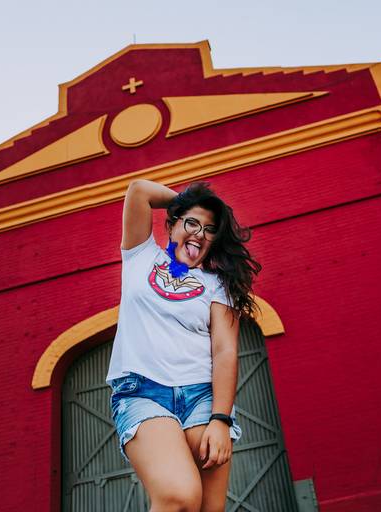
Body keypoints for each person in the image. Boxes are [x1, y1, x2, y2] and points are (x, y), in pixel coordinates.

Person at [106, 179, 261, 511]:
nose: (199, 234)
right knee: (179, 496)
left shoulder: (218, 284)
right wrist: (191, 203)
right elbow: (139, 191)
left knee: (208, 508)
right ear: (172, 224)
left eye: (209, 230)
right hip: (143, 393)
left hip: (203, 397)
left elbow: (224, 350)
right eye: (192, 223)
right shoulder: (140, 255)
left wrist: (221, 419)